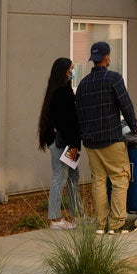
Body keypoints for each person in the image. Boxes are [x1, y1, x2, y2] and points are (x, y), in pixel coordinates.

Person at [75, 41, 137, 235]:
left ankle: (101, 224)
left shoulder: (83, 84)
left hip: (90, 142)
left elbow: (79, 114)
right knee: (120, 178)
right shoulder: (114, 78)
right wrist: (134, 128)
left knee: (98, 181)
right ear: (106, 57)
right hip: (111, 139)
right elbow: (126, 106)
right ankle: (117, 224)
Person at [38, 57, 82, 229]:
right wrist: (75, 144)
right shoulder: (62, 92)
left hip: (66, 142)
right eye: (71, 68)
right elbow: (67, 122)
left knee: (73, 176)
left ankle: (77, 214)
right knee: (60, 177)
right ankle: (55, 219)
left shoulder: (57, 90)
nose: (73, 71)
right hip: (63, 143)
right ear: (64, 71)